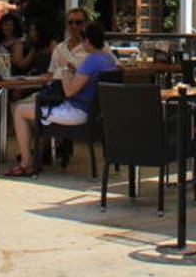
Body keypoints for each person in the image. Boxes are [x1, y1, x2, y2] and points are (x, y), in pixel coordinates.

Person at [7, 21, 115, 177]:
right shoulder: (108, 59)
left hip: (77, 111)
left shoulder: (90, 61)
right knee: (35, 110)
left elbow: (69, 91)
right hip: (95, 113)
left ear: (87, 41)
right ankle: (38, 154)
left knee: (19, 110)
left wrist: (64, 68)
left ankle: (26, 162)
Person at [50, 7, 92, 77]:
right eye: (70, 22)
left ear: (86, 23)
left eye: (78, 22)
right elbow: (51, 74)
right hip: (56, 82)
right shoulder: (59, 48)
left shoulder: (95, 47)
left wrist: (76, 71)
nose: (73, 26)